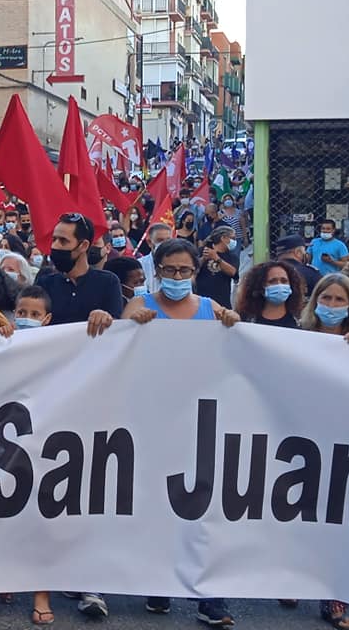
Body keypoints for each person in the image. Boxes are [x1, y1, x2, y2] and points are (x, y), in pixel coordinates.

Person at [121, 239, 239, 626]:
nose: (176, 277)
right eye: (169, 270)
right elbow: (118, 348)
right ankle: (161, 582)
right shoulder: (142, 305)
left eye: (184, 270)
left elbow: (234, 350)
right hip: (153, 421)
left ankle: (211, 597)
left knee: (206, 507)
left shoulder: (211, 309)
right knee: (160, 505)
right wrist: (127, 324)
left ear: (194, 272)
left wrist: (234, 327)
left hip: (202, 422)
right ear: (158, 270)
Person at [298, 273, 349, 630]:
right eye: (327, 298)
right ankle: (290, 581)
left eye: (340, 300)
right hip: (298, 437)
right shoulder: (293, 338)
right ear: (315, 300)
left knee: (340, 516)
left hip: (344, 441)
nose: (332, 306)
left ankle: (333, 596)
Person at [33, 213, 122, 339]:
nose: (55, 246)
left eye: (63, 241)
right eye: (54, 240)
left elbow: (118, 330)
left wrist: (105, 318)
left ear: (84, 245)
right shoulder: (44, 284)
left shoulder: (108, 282)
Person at [234, 260, 305, 327]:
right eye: (272, 281)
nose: (279, 285)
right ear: (260, 287)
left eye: (284, 281)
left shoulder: (301, 322)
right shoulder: (245, 321)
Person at [196, 226, 239, 309]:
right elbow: (192, 269)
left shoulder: (232, 257)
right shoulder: (201, 251)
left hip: (222, 302)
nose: (234, 241)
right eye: (233, 238)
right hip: (201, 300)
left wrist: (216, 258)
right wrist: (203, 259)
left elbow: (233, 273)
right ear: (223, 238)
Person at [139, 223, 174, 293]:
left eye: (168, 240)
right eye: (160, 240)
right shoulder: (139, 265)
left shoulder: (179, 265)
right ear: (149, 242)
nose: (165, 244)